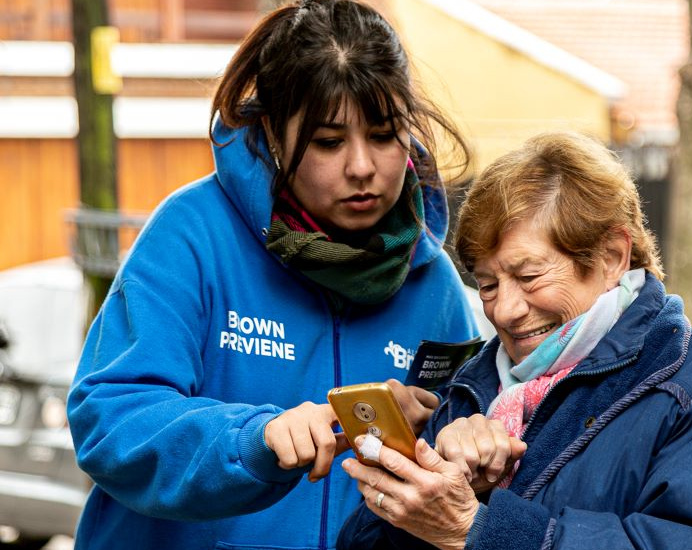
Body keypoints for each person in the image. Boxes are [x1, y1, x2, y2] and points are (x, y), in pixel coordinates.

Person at [66, 1, 482, 548]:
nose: (362, 166)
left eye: (383, 135)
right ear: (272, 133)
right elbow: (111, 419)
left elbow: (459, 475)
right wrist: (253, 441)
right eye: (328, 142)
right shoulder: (191, 235)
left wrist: (435, 436)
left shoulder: (434, 284)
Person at [338, 131, 692, 550]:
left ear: (613, 256)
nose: (505, 310)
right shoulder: (472, 389)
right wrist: (443, 480)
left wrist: (479, 528)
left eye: (530, 275)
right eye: (488, 284)